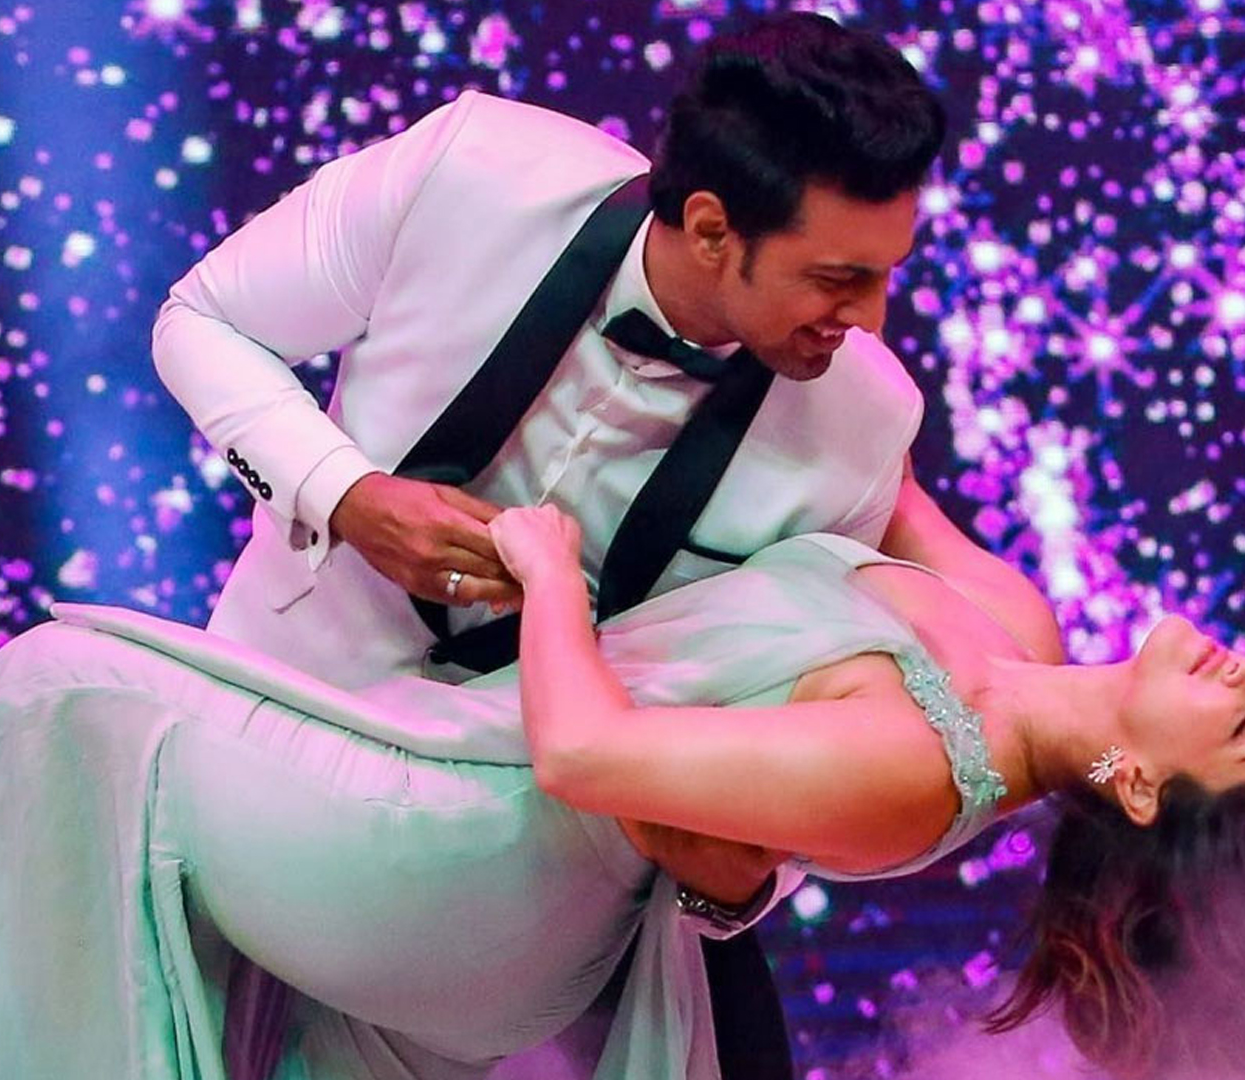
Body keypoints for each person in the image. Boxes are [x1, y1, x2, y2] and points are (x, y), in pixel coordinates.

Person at [151, 14, 1058, 1076]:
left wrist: (734, 890)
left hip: (509, 923)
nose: (871, 317)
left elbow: (782, 725)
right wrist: (345, 496)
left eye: (887, 273)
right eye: (835, 278)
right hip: (259, 752)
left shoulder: (861, 425)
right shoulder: (470, 171)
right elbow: (201, 320)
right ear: (712, 228)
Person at [0, 504, 1245, 1080]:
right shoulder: (1014, 626)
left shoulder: (920, 773)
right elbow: (869, 438)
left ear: (1138, 789)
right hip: (466, 790)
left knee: (59, 687)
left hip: (470, 850)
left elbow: (588, 759)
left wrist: (549, 569)